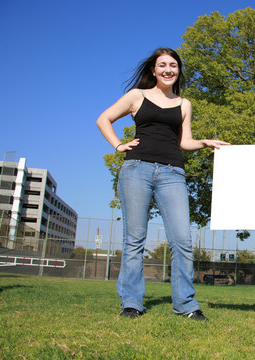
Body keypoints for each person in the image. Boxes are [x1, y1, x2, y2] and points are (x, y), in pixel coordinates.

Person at [97, 48, 229, 321]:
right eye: (162, 65)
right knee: (134, 240)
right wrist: (118, 145)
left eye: (173, 65)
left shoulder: (184, 104)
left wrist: (205, 142)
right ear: (154, 71)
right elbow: (104, 119)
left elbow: (184, 142)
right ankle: (131, 303)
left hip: (173, 173)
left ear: (178, 70)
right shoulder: (138, 96)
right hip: (136, 170)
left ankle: (186, 305)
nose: (168, 69)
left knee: (182, 239)